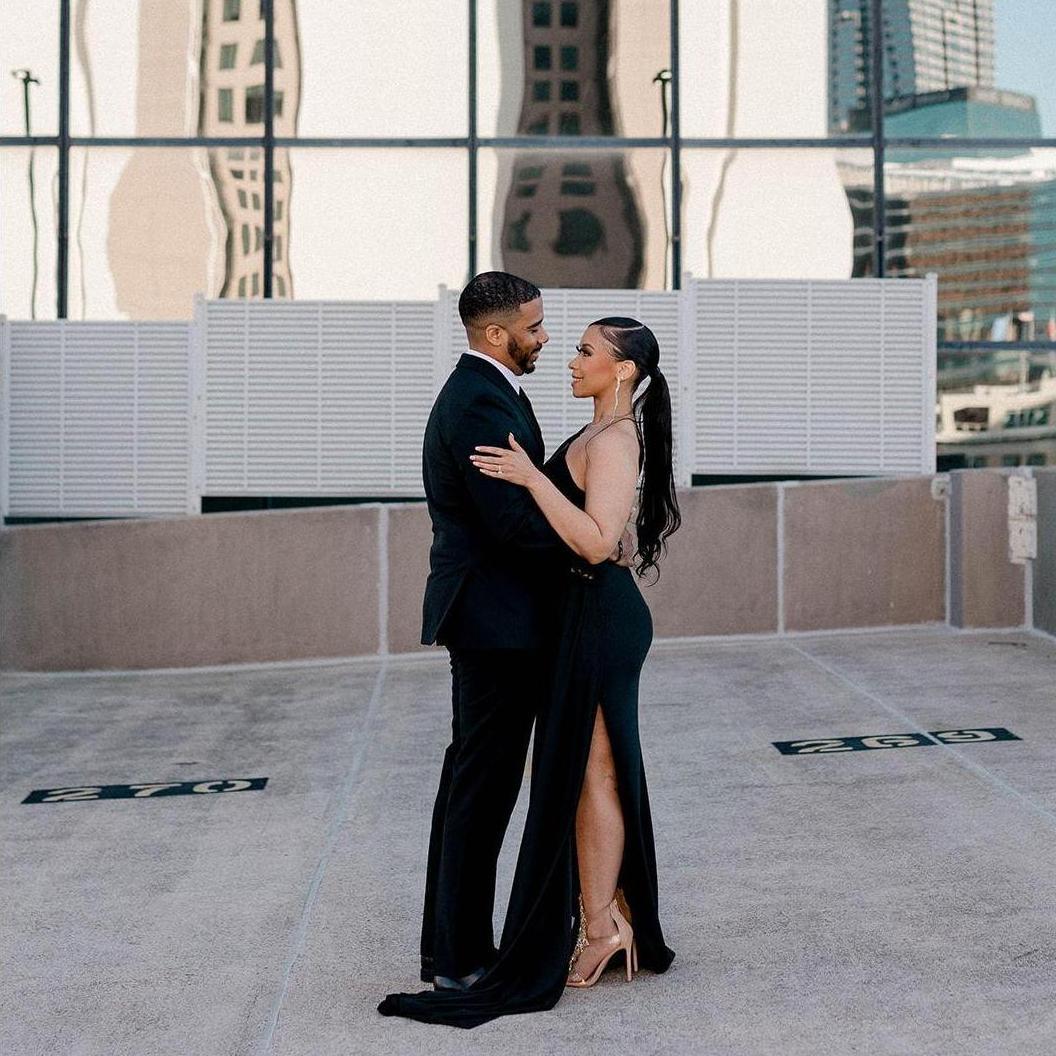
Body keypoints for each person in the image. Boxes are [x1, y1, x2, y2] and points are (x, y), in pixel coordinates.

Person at [379, 310, 680, 1027]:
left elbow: (597, 542)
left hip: (603, 620)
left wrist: (528, 479)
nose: (569, 358)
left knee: (596, 773)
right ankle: (606, 918)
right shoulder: (597, 432)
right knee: (585, 773)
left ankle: (602, 928)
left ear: (623, 370)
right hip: (582, 617)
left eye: (585, 350)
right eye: (567, 344)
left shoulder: (615, 438)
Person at [412, 272, 630, 994]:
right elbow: (508, 524)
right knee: (482, 790)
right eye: (534, 328)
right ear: (496, 333)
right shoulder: (478, 400)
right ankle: (459, 960)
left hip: (500, 617)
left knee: (474, 785)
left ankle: (450, 950)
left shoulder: (492, 390)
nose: (545, 338)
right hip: (495, 622)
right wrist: (593, 549)